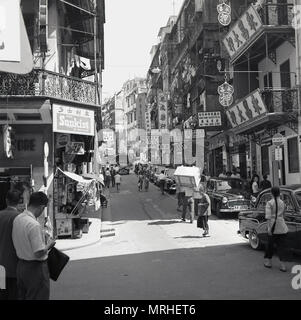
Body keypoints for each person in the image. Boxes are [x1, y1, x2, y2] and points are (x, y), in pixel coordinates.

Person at [12, 192, 55, 300]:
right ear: (41, 207)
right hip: (35, 268)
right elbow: (38, 252)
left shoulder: (18, 218)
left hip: (21, 266)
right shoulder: (33, 225)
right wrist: (49, 245)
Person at [0, 190, 22, 300]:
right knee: (15, 295)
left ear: (6, 200)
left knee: (2, 294)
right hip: (16, 266)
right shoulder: (20, 218)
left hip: (1, 267)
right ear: (19, 202)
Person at [264, 186, 288, 272]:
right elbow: (284, 215)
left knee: (270, 245)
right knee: (281, 246)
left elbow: (268, 217)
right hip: (282, 226)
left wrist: (269, 228)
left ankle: (269, 262)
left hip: (273, 226)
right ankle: (283, 266)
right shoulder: (283, 203)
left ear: (271, 193)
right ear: (279, 193)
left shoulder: (269, 203)